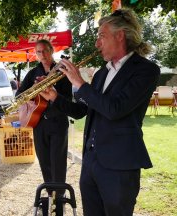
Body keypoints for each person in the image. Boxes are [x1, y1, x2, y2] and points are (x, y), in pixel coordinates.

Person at [58, 9, 160, 215]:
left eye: (101, 36)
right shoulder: (102, 73)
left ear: (119, 35)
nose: (97, 43)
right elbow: (82, 111)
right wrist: (54, 99)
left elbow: (115, 109)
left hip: (120, 164)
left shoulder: (145, 70)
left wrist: (79, 83)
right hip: (91, 162)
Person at [16, 40, 84, 208]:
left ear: (52, 50)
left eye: (45, 51)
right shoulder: (32, 73)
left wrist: (53, 93)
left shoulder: (63, 72)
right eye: (38, 52)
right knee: (44, 161)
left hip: (58, 122)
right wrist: (33, 89)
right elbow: (19, 96)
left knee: (58, 162)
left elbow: (68, 99)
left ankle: (58, 199)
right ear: (36, 54)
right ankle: (50, 193)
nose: (42, 55)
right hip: (39, 123)